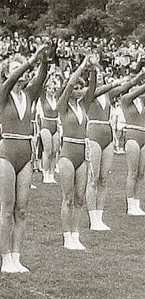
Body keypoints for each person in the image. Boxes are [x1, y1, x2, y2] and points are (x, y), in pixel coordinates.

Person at [0, 43, 50, 273]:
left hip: (25, 155)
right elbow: (11, 80)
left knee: (22, 209)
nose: (22, 72)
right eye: (15, 68)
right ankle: (5, 258)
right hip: (7, 153)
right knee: (7, 208)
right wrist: (29, 62)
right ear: (8, 72)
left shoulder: (27, 95)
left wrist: (45, 58)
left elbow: (42, 76)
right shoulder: (3, 93)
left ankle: (17, 256)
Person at [55, 55, 94, 251]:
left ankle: (76, 234)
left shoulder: (83, 105)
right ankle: (66, 235)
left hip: (82, 154)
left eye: (81, 87)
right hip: (67, 153)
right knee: (68, 197)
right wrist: (82, 66)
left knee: (80, 198)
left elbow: (93, 88)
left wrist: (94, 68)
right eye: (76, 87)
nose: (78, 90)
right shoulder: (62, 105)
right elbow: (69, 84)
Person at [85, 71, 122, 232]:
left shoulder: (108, 95)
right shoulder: (89, 94)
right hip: (93, 134)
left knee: (104, 179)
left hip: (108, 134)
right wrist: (113, 84)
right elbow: (95, 91)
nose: (100, 78)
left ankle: (99, 217)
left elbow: (124, 87)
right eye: (97, 76)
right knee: (93, 178)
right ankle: (93, 218)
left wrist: (137, 77)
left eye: (101, 76)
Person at [119, 65, 145, 215]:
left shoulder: (142, 101)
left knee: (141, 173)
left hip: (143, 136)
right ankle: (130, 204)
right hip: (133, 137)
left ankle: (136, 203)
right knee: (133, 171)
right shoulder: (125, 99)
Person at [36, 74, 62, 184]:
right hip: (45, 125)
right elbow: (41, 85)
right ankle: (45, 174)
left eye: (53, 89)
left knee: (55, 151)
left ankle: (51, 174)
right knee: (47, 150)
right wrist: (48, 74)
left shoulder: (56, 99)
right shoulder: (43, 99)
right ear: (46, 90)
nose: (52, 91)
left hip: (55, 125)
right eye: (50, 89)